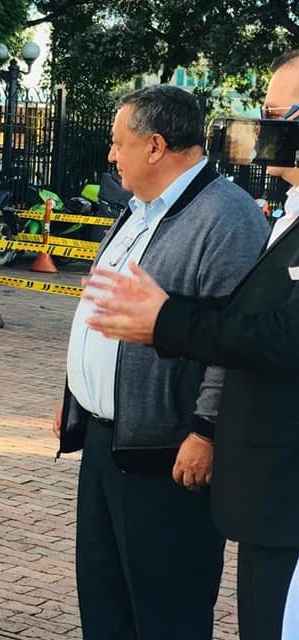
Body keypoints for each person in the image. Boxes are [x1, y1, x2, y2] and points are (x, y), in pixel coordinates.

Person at [81, 51, 299, 640]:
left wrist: (204, 428)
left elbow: (261, 335)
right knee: (107, 607)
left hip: (175, 454)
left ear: (155, 146)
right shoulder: (136, 210)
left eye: (276, 112)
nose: (261, 125)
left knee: (166, 613)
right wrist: (79, 393)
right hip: (111, 439)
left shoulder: (227, 216)